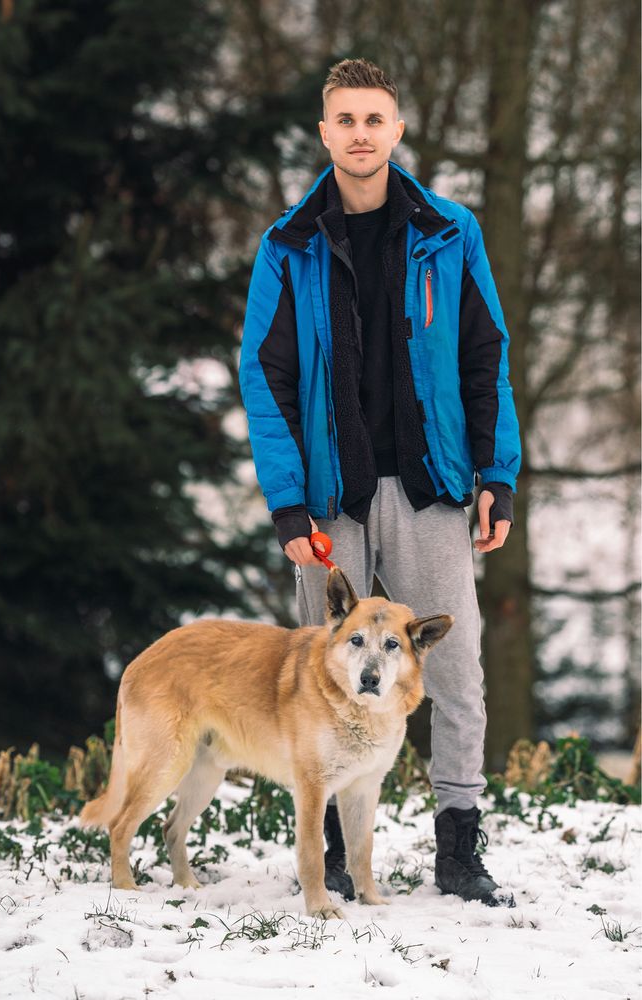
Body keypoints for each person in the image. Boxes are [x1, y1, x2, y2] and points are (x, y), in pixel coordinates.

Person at [238, 58, 521, 908]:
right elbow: (266, 377)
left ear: (396, 132)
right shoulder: (287, 245)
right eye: (344, 120)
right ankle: (324, 852)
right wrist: (288, 502)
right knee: (321, 673)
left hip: (431, 486)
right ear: (323, 133)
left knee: (455, 663)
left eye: (375, 119)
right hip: (330, 501)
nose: (360, 133)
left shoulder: (449, 230)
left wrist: (494, 476)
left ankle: (458, 849)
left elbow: (485, 357)